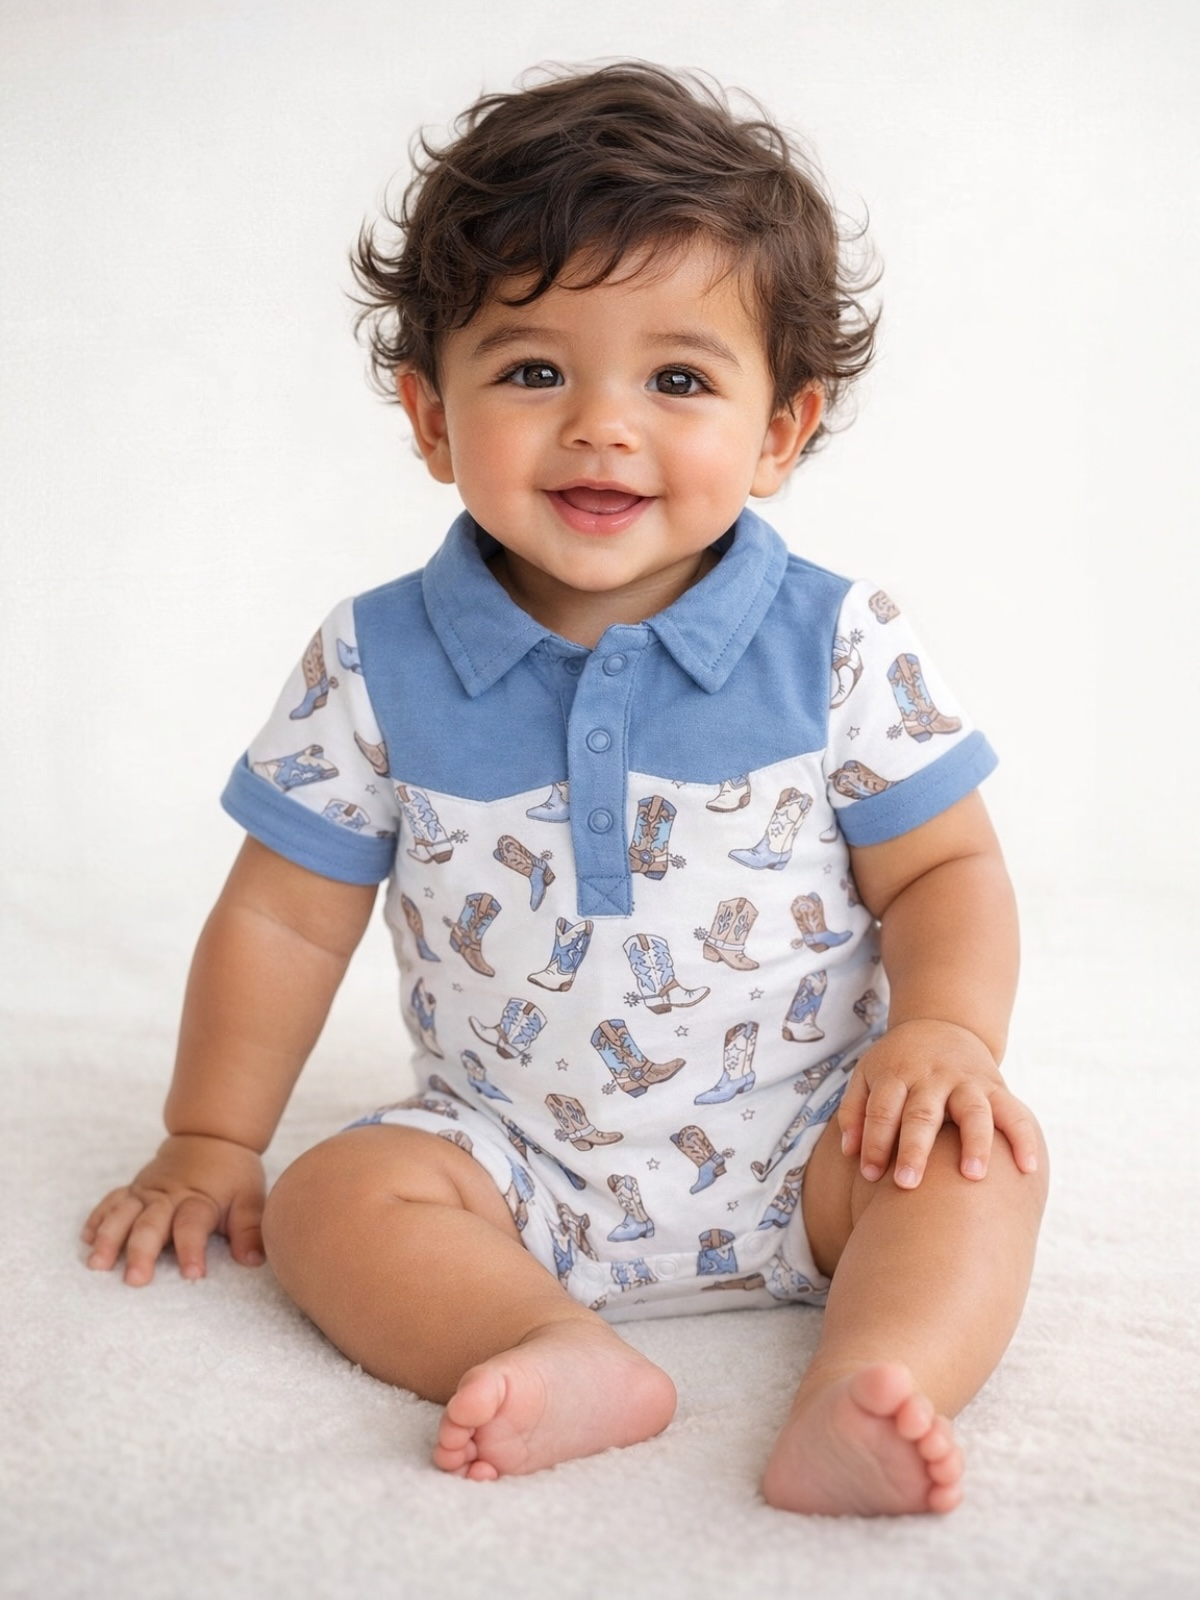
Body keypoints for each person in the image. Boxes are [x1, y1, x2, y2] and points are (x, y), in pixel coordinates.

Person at [82, 62, 1047, 1516]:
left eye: (677, 379)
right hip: (509, 1166)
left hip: (812, 1141)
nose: (603, 424)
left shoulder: (836, 642)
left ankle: (871, 1372)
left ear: (781, 429)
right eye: (535, 370)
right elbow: (283, 923)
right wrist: (212, 1138)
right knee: (337, 1205)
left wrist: (951, 1034)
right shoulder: (378, 660)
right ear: (428, 414)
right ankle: (546, 1342)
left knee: (977, 1164)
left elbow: (946, 873)